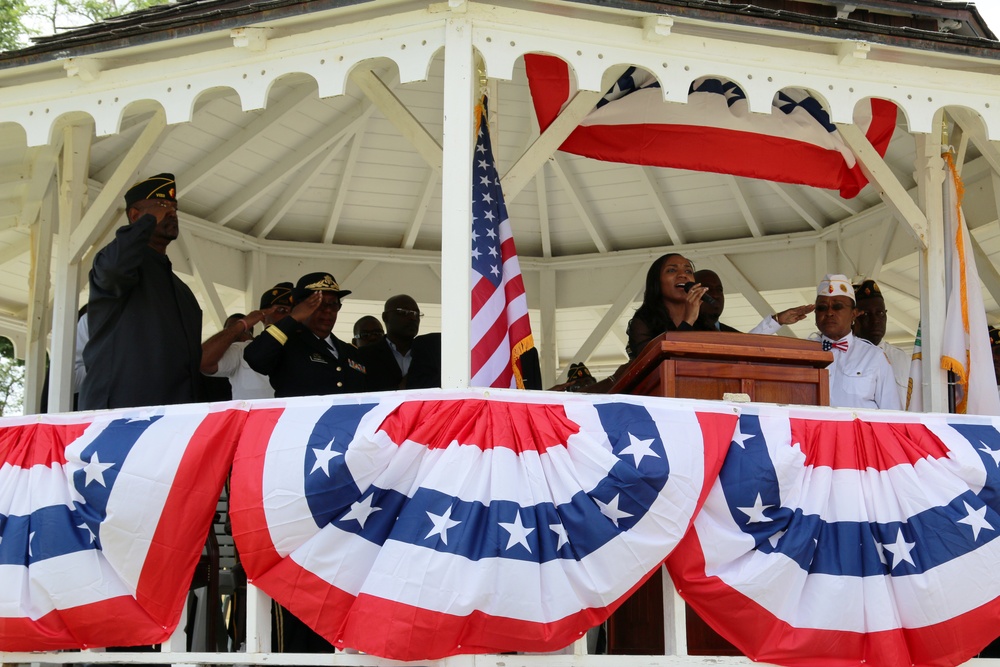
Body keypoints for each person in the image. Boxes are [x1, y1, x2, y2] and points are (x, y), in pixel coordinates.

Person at [79, 173, 202, 410]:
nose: (171, 213)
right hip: (121, 410)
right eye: (162, 206)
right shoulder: (116, 261)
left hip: (173, 417)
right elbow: (114, 269)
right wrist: (145, 224)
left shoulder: (183, 293)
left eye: (174, 208)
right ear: (135, 215)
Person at [243, 272, 367, 398]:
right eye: (320, 303)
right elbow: (255, 357)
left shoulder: (351, 352)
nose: (328, 310)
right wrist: (293, 318)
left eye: (333, 304)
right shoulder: (286, 343)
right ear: (300, 307)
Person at [813, 274, 900, 410]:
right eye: (822, 308)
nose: (829, 312)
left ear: (854, 314)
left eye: (837, 306)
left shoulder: (874, 357)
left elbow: (891, 414)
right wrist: (777, 321)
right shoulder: (803, 352)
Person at [201, 283, 294, 400]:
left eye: (295, 311)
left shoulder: (311, 350)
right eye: (282, 310)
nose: (290, 316)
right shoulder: (242, 351)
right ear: (263, 316)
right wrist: (242, 324)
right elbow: (203, 361)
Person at [625, 253, 711, 359]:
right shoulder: (643, 322)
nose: (683, 275)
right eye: (672, 270)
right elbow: (655, 362)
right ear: (657, 281)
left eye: (688, 271)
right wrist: (688, 321)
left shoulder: (704, 322)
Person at [694, 269, 814, 334]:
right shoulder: (682, 329)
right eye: (707, 289)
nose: (715, 295)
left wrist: (777, 320)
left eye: (719, 290)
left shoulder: (733, 335)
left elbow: (748, 346)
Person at [852, 279, 909, 404]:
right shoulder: (845, 356)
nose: (876, 320)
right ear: (853, 317)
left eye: (880, 313)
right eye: (866, 314)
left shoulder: (902, 358)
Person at [359, 295, 422, 391]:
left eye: (416, 314)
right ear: (385, 317)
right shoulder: (364, 356)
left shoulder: (429, 354)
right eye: (404, 312)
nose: (413, 318)